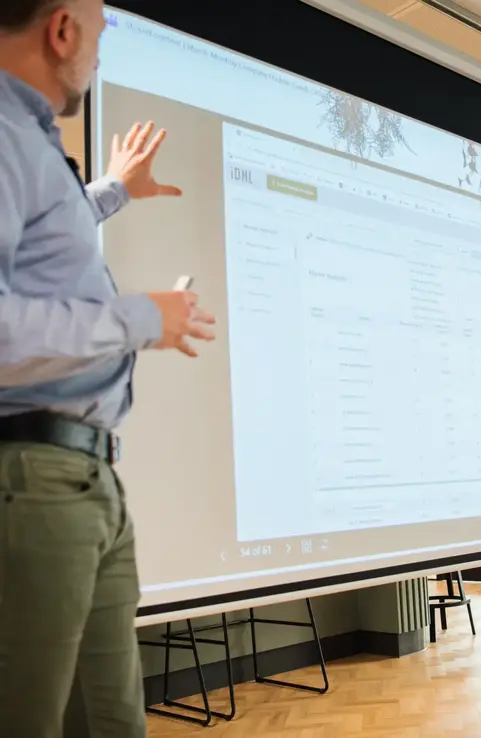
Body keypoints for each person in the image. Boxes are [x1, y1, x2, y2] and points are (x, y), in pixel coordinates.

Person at [0, 1, 216, 736]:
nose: (100, 49)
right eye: (101, 30)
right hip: (32, 481)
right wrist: (140, 318)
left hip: (85, 480)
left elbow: (42, 250)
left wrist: (114, 190)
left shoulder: (26, 139)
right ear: (62, 30)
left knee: (113, 723)